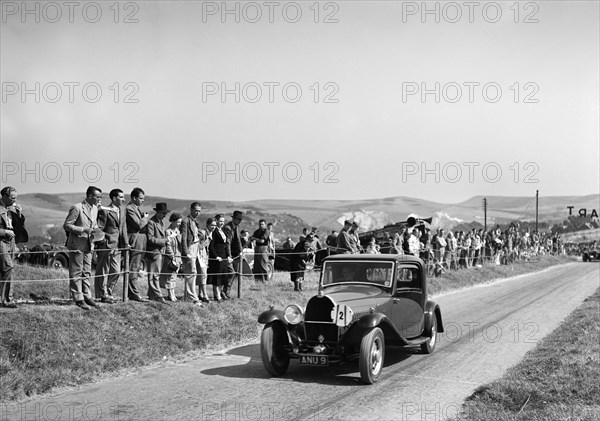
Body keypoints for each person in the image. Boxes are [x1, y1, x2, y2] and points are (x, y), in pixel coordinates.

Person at [64, 186, 102, 310]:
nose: (99, 199)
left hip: (89, 244)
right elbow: (67, 225)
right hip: (77, 244)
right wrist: (83, 229)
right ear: (90, 196)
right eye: (97, 197)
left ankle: (87, 296)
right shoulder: (77, 208)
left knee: (87, 271)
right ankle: (78, 298)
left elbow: (94, 224)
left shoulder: (95, 208)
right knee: (76, 271)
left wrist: (97, 232)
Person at [94, 188, 128, 304]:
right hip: (107, 245)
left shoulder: (122, 210)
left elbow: (123, 228)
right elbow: (99, 227)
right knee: (103, 271)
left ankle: (108, 291)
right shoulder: (105, 211)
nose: (123, 199)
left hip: (118, 246)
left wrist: (126, 243)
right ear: (114, 198)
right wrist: (105, 239)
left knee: (116, 271)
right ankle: (103, 294)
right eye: (121, 197)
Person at [0, 186, 27, 309]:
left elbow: (19, 225)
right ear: (4, 196)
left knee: (9, 269)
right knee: (8, 267)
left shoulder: (13, 208)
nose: (14, 200)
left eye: (16, 197)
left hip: (12, 240)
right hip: (1, 240)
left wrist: (19, 213)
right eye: (12, 198)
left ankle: (7, 298)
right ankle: (5, 299)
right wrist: (5, 232)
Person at [125, 187, 149, 302]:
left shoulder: (136, 208)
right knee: (133, 267)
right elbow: (138, 225)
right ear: (134, 198)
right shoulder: (130, 208)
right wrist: (145, 218)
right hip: (135, 241)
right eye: (141, 198)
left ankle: (132, 292)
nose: (142, 201)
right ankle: (133, 293)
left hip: (140, 241)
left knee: (136, 267)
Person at [180, 202, 205, 305]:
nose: (197, 213)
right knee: (191, 271)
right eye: (196, 210)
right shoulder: (186, 221)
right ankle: (192, 297)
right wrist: (186, 252)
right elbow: (184, 238)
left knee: (193, 272)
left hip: (195, 247)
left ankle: (188, 296)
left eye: (199, 211)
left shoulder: (194, 221)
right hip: (190, 248)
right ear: (191, 210)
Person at [145, 203, 170, 303]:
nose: (165, 215)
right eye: (163, 213)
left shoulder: (161, 222)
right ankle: (157, 294)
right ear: (158, 212)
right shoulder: (151, 222)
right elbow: (150, 238)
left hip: (160, 251)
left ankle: (152, 294)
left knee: (156, 273)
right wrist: (164, 240)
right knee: (153, 274)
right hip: (154, 251)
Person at [209, 214, 233, 302]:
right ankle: (217, 295)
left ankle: (219, 294)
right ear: (216, 221)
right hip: (217, 257)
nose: (222, 223)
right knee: (217, 278)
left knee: (223, 277)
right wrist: (215, 256)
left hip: (223, 256)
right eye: (220, 221)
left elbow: (225, 245)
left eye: (223, 221)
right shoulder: (214, 231)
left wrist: (228, 256)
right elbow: (211, 246)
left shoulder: (222, 231)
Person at [160, 213, 182, 302]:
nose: (179, 224)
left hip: (178, 255)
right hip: (171, 257)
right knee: (169, 276)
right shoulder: (168, 231)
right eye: (178, 222)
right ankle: (170, 294)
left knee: (174, 276)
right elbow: (168, 245)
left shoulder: (178, 231)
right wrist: (172, 256)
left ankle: (173, 293)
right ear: (173, 221)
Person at [222, 210, 243, 299]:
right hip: (226, 253)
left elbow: (238, 240)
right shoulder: (228, 228)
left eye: (241, 219)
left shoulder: (236, 227)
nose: (240, 221)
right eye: (238, 219)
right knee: (231, 272)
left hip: (234, 254)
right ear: (234, 219)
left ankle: (226, 292)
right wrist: (229, 256)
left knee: (232, 273)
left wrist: (241, 251)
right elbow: (228, 243)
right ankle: (224, 292)